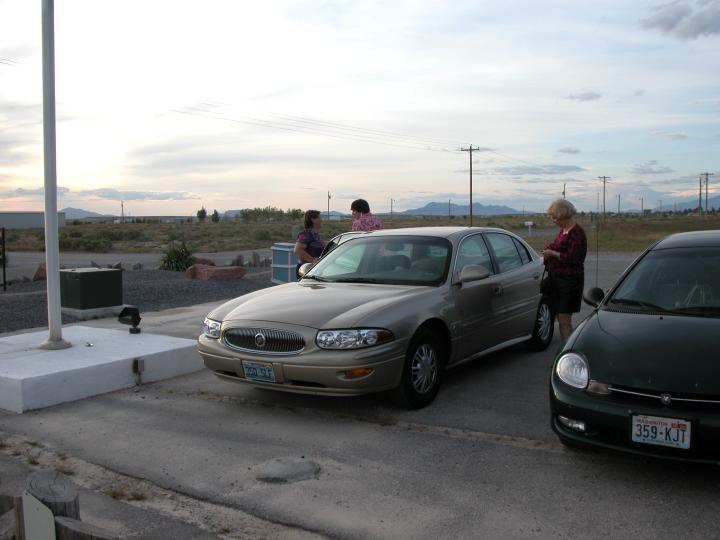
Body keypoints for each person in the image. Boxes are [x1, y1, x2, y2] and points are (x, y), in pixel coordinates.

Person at [542, 198, 587, 342]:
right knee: (561, 319)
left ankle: (567, 350)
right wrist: (549, 250)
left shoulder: (577, 233)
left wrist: (552, 253)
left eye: (555, 217)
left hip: (569, 282)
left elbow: (574, 258)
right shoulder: (564, 231)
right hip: (557, 280)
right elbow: (559, 248)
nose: (553, 220)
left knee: (564, 320)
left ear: (563, 216)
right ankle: (568, 347)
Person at [294, 210, 325, 279]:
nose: (321, 220)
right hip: (305, 270)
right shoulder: (306, 234)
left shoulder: (315, 235)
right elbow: (297, 250)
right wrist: (313, 260)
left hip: (313, 269)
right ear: (313, 220)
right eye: (319, 218)